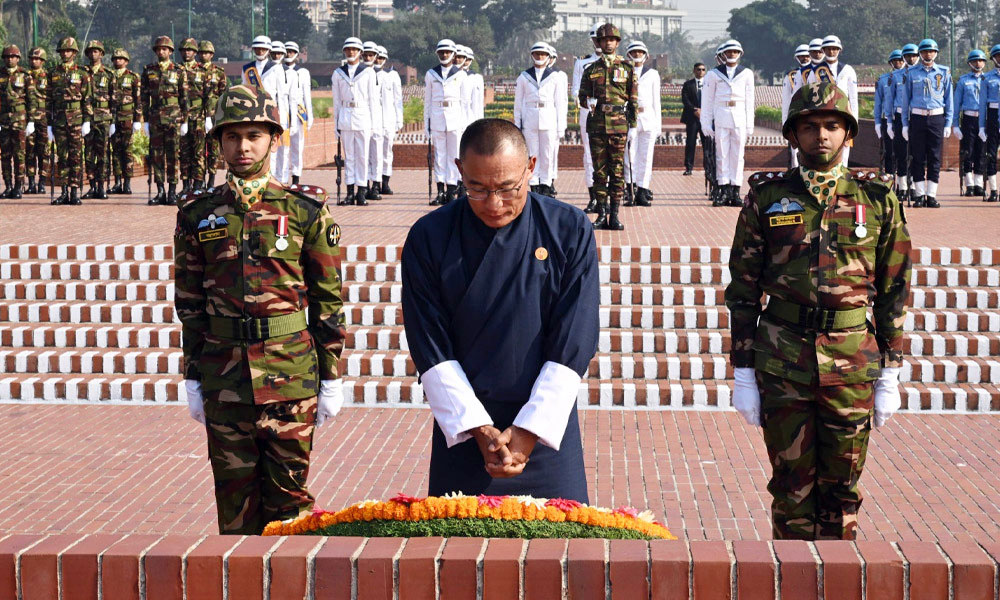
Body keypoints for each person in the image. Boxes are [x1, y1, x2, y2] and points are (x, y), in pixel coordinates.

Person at [726, 81, 912, 541]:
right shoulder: (767, 198)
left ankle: (838, 572)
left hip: (851, 362)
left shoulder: (876, 198)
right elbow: (744, 289)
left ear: (848, 134)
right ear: (792, 135)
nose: (821, 136)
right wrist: (743, 371)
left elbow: (894, 289)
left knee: (842, 491)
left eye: (832, 125)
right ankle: (792, 574)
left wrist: (891, 372)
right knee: (790, 490)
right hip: (782, 361)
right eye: (809, 127)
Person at [175, 84, 346, 535]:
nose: (243, 147)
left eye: (254, 135)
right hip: (224, 377)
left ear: (274, 139)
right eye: (232, 136)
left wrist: (331, 375)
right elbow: (190, 304)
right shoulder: (198, 213)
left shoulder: (305, 208)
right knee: (235, 507)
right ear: (219, 142)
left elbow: (328, 300)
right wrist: (193, 375)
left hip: (290, 375)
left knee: (291, 506)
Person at [401, 117, 598, 502]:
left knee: (561, 537)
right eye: (477, 189)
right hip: (464, 431)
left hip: (546, 431)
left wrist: (529, 430)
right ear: (459, 171)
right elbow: (429, 343)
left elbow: (576, 335)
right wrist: (478, 428)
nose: (494, 204)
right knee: (458, 538)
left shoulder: (568, 229)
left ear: (531, 167)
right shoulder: (430, 236)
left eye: (508, 188)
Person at [578, 23, 636, 230]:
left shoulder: (627, 68)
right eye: (604, 40)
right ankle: (602, 214)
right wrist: (589, 102)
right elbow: (582, 97)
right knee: (600, 173)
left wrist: (633, 126)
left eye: (612, 40)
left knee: (617, 171)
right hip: (597, 126)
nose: (608, 43)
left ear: (617, 43)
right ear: (599, 43)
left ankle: (615, 215)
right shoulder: (591, 69)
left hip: (619, 126)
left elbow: (633, 99)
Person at [701, 39, 754, 207]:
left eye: (735, 51)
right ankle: (723, 190)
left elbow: (750, 101)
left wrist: (750, 124)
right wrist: (705, 123)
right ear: (723, 54)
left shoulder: (746, 73)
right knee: (721, 154)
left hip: (739, 117)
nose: (732, 54)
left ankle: (735, 191)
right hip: (721, 115)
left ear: (740, 54)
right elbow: (707, 101)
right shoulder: (713, 74)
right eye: (729, 51)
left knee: (738, 155)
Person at [901, 38, 953, 208]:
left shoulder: (944, 72)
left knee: (934, 157)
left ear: (936, 53)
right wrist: (905, 124)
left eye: (931, 51)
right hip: (918, 118)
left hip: (937, 118)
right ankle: (919, 194)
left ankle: (931, 195)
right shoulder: (911, 73)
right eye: (924, 51)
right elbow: (905, 101)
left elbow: (949, 100)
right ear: (920, 54)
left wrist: (948, 123)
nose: (928, 54)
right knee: (917, 157)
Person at [515, 42, 566, 198]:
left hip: (549, 117)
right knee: (532, 154)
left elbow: (560, 103)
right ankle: (534, 185)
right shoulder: (524, 76)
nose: (540, 57)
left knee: (547, 154)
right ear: (532, 55)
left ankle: (546, 183)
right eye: (537, 54)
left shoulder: (555, 77)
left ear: (548, 57)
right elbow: (518, 103)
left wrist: (561, 126)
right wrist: (517, 124)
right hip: (530, 118)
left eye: (543, 54)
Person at [142, 35, 188, 205]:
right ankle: (160, 190)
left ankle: (172, 191)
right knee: (157, 156)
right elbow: (144, 97)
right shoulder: (149, 70)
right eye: (159, 49)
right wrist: (145, 120)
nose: (161, 52)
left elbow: (184, 97)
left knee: (173, 155)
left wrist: (185, 121)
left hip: (173, 118)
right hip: (155, 118)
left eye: (164, 49)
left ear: (170, 51)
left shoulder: (179, 70)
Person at [331, 37, 377, 206]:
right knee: (349, 157)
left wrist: (373, 124)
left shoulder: (368, 72)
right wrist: (336, 123)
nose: (351, 52)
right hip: (345, 117)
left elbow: (373, 101)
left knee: (362, 157)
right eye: (348, 49)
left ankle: (361, 192)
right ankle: (350, 192)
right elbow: (336, 101)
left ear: (360, 52)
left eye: (354, 49)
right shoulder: (338, 73)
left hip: (362, 116)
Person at [47, 37, 92, 206]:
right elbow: (48, 100)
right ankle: (64, 191)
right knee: (62, 157)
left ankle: (74, 192)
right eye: (63, 51)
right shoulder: (53, 73)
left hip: (76, 119)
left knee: (76, 156)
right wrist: (48, 123)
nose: (65, 54)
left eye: (68, 51)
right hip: (59, 120)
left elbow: (87, 99)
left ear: (74, 53)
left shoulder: (82, 73)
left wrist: (87, 120)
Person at [425, 38, 467, 206]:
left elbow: (465, 103)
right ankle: (440, 190)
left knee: (454, 155)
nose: (444, 55)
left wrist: (464, 125)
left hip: (455, 118)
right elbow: (427, 101)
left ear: (453, 54)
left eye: (447, 52)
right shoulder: (431, 74)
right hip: (437, 118)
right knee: (439, 156)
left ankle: (451, 190)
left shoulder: (460, 74)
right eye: (441, 52)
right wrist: (427, 124)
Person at [241, 35, 290, 173]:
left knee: (271, 147)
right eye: (257, 49)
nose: (260, 51)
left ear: (268, 50)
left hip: (270, 112)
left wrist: (283, 118)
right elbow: (244, 92)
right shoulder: (247, 69)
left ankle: (270, 178)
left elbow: (282, 95)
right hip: (253, 113)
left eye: (263, 49)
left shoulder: (276, 68)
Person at [809, 35, 857, 167]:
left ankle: (843, 176)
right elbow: (810, 95)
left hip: (844, 114)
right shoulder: (815, 71)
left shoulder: (848, 70)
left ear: (840, 50)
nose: (831, 51)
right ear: (823, 50)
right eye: (828, 49)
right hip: (823, 116)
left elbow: (853, 98)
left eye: (834, 49)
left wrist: (855, 121)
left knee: (844, 148)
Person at [623, 40, 660, 207]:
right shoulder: (624, 72)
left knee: (646, 156)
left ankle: (642, 190)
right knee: (629, 156)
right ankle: (630, 189)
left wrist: (658, 125)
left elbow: (656, 101)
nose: (637, 54)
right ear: (628, 54)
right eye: (634, 52)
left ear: (646, 55)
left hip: (648, 117)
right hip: (630, 117)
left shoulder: (652, 74)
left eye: (640, 52)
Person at [573, 25, 603, 212]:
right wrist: (586, 101)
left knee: (609, 155)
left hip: (611, 113)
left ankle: (607, 197)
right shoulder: (582, 63)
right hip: (588, 112)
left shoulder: (620, 63)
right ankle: (594, 197)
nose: (598, 42)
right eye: (595, 38)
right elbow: (576, 90)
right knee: (589, 154)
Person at [0, 45, 35, 199]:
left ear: (18, 59)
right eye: (7, 57)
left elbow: (31, 100)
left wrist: (31, 121)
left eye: (13, 57)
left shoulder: (25, 75)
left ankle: (18, 186)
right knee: (5, 155)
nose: (10, 59)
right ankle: (8, 186)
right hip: (4, 120)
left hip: (20, 119)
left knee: (19, 155)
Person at [885, 43, 919, 201]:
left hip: (916, 116)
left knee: (916, 152)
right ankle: (903, 186)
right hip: (899, 116)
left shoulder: (919, 74)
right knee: (901, 152)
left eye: (913, 56)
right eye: (907, 56)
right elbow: (889, 100)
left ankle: (914, 186)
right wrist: (889, 121)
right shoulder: (895, 76)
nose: (910, 59)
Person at [177, 38, 210, 194]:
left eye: (189, 50)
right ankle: (185, 185)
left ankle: (197, 185)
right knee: (184, 153)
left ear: (195, 52)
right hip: (180, 117)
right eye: (184, 50)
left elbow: (208, 96)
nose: (187, 52)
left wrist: (208, 117)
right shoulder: (175, 70)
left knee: (198, 153)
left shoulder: (202, 71)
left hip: (198, 117)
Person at [108, 48, 142, 195]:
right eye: (115, 59)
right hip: (113, 118)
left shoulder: (133, 77)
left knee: (127, 151)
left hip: (127, 117)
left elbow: (138, 99)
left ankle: (127, 183)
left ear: (126, 61)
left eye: (120, 59)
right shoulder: (109, 76)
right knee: (115, 151)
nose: (118, 61)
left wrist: (137, 119)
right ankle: (117, 182)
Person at [955, 49, 987, 197]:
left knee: (981, 151)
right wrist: (955, 124)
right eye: (974, 61)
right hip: (968, 119)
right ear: (969, 63)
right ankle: (969, 184)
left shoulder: (988, 79)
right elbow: (956, 103)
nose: (978, 63)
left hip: (984, 119)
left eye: (980, 60)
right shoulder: (963, 81)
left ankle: (979, 184)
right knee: (967, 151)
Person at [282, 41, 313, 187]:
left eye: (292, 52)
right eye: (287, 51)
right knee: (283, 148)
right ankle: (282, 177)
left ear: (296, 54)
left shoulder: (303, 72)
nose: (289, 54)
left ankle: (296, 177)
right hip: (284, 112)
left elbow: (307, 96)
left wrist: (310, 116)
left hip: (299, 113)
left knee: (297, 147)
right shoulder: (278, 70)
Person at [375, 45, 402, 195]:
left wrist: (399, 120)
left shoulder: (392, 75)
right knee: (373, 155)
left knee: (387, 153)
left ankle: (385, 182)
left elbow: (398, 100)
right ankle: (374, 183)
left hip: (388, 119)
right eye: (376, 57)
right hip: (374, 121)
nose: (378, 60)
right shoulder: (367, 74)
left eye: (381, 58)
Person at [199, 41, 227, 189]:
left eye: (207, 53)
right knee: (198, 150)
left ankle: (211, 180)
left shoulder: (219, 72)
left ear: (211, 55)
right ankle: (199, 181)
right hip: (197, 114)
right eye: (202, 53)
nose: (204, 55)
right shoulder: (194, 71)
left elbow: (223, 96)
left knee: (213, 149)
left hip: (214, 116)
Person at [781, 44, 812, 168]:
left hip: (813, 113)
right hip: (796, 114)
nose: (805, 58)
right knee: (795, 150)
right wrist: (785, 121)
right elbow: (786, 100)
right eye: (801, 56)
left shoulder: (819, 71)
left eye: (807, 55)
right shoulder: (791, 75)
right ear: (796, 58)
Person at [873, 50, 903, 176]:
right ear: (891, 63)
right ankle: (889, 177)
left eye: (900, 60)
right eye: (895, 61)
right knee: (889, 151)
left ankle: (903, 178)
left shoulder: (908, 77)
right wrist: (877, 122)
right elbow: (878, 102)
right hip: (888, 119)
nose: (898, 63)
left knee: (904, 151)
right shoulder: (883, 80)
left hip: (903, 118)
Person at [361, 41, 384, 200]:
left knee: (376, 154)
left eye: (371, 55)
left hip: (379, 119)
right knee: (364, 155)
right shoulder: (360, 73)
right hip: (363, 119)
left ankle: (376, 184)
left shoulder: (384, 75)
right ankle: (365, 185)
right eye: (366, 55)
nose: (368, 58)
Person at [25, 47, 48, 195]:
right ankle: (31, 183)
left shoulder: (48, 77)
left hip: (44, 118)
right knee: (29, 151)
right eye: (32, 59)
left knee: (44, 152)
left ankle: (42, 183)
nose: (34, 61)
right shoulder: (24, 76)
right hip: (28, 118)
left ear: (42, 61)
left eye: (37, 59)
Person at [979, 44, 1000, 202]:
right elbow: (982, 104)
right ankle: (993, 190)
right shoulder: (986, 78)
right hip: (993, 116)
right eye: (998, 56)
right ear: (993, 58)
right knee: (991, 154)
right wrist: (981, 126)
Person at [545, 44, 567, 197]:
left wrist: (562, 124)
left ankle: (551, 179)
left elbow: (562, 100)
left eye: (552, 57)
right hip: (542, 119)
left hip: (552, 118)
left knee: (552, 152)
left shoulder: (560, 75)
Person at [681, 63, 706, 176]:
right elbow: (685, 99)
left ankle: (708, 167)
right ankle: (689, 167)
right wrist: (695, 110)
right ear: (694, 71)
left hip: (705, 118)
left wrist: (703, 111)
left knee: (707, 144)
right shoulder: (688, 84)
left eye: (703, 69)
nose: (701, 72)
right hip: (692, 118)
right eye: (698, 69)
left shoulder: (709, 84)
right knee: (690, 143)